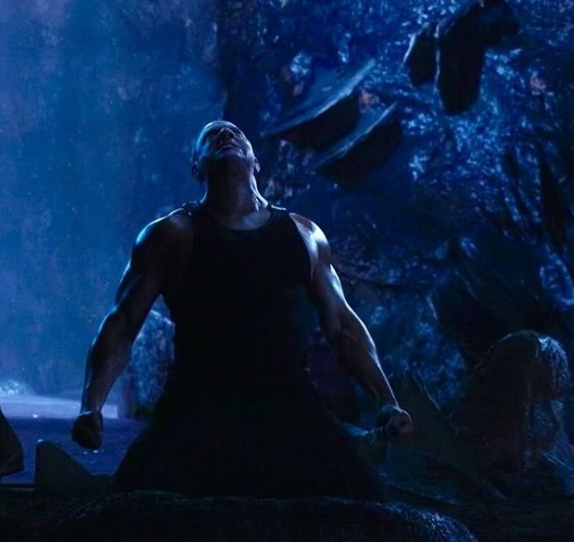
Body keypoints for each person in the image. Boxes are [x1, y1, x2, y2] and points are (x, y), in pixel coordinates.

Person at [71, 119, 412, 498]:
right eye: (211, 135)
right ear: (196, 168)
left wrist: (387, 402)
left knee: (366, 508)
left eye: (235, 132)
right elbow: (123, 323)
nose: (225, 134)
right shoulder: (170, 235)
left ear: (256, 161)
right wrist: (91, 406)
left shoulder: (305, 235)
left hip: (292, 410)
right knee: (136, 511)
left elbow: (343, 327)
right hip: (195, 412)